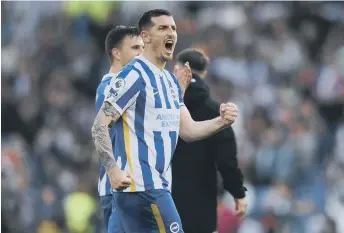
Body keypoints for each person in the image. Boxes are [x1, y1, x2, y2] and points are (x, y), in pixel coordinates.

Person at [91, 9, 239, 233]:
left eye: (173, 28)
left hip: (150, 188)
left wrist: (221, 121)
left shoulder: (170, 81)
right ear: (146, 37)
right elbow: (99, 125)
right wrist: (112, 170)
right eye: (162, 28)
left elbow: (188, 130)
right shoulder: (133, 75)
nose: (171, 32)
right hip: (144, 188)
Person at [171, 49, 248, 233]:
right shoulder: (216, 111)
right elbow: (227, 161)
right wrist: (238, 193)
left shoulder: (162, 107)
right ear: (204, 73)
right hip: (202, 203)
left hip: (165, 198)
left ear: (177, 70)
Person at [95, 25, 144, 231]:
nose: (141, 53)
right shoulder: (111, 88)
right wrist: (113, 172)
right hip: (118, 188)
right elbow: (100, 130)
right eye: (135, 48)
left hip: (134, 187)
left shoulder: (130, 85)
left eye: (142, 47)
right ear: (116, 53)